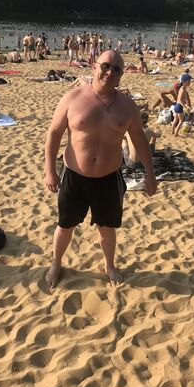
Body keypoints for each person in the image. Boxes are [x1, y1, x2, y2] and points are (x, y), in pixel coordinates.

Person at [44, 50, 157, 290]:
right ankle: (56, 263)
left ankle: (109, 265)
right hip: (74, 176)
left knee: (107, 227)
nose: (109, 72)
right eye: (105, 66)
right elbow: (54, 134)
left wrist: (151, 174)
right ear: (94, 67)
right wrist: (49, 170)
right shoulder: (72, 98)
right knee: (65, 225)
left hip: (109, 178)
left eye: (116, 69)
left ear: (121, 75)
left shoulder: (128, 107)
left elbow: (139, 140)